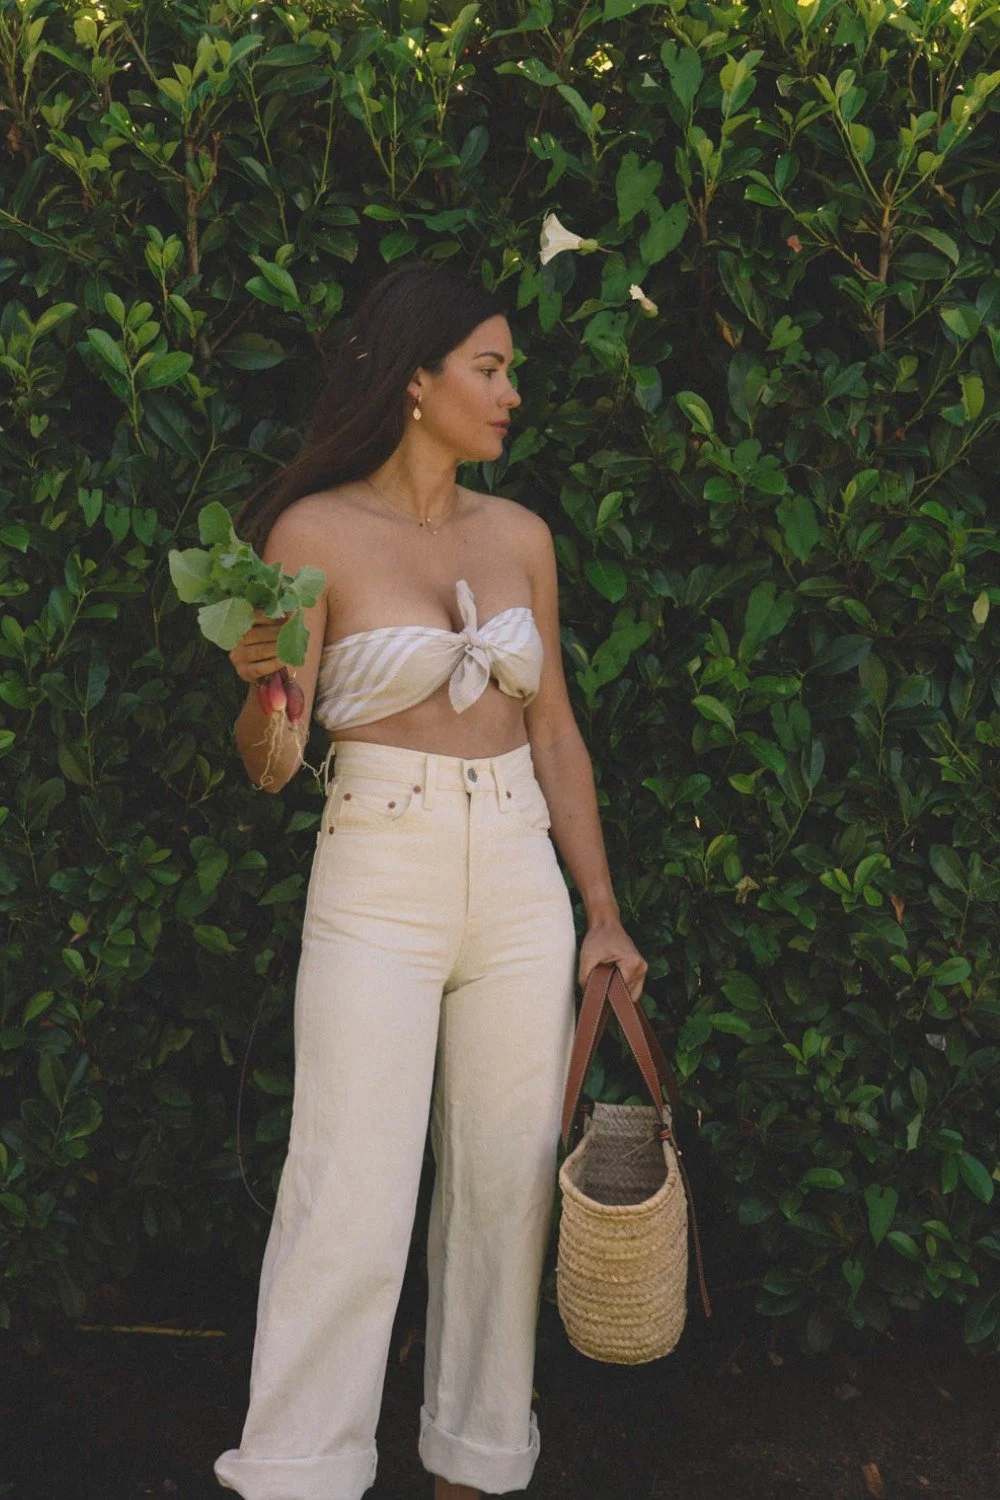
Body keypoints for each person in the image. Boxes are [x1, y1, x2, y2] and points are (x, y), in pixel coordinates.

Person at [213, 262, 648, 1500]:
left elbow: (554, 730)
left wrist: (601, 916)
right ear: (415, 381)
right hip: (378, 868)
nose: (511, 394)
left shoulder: (519, 538)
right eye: (490, 368)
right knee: (349, 1188)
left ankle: (474, 1470)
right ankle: (298, 1473)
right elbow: (273, 762)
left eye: (509, 370)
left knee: (508, 1188)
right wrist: (265, 689)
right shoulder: (313, 534)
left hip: (518, 874)